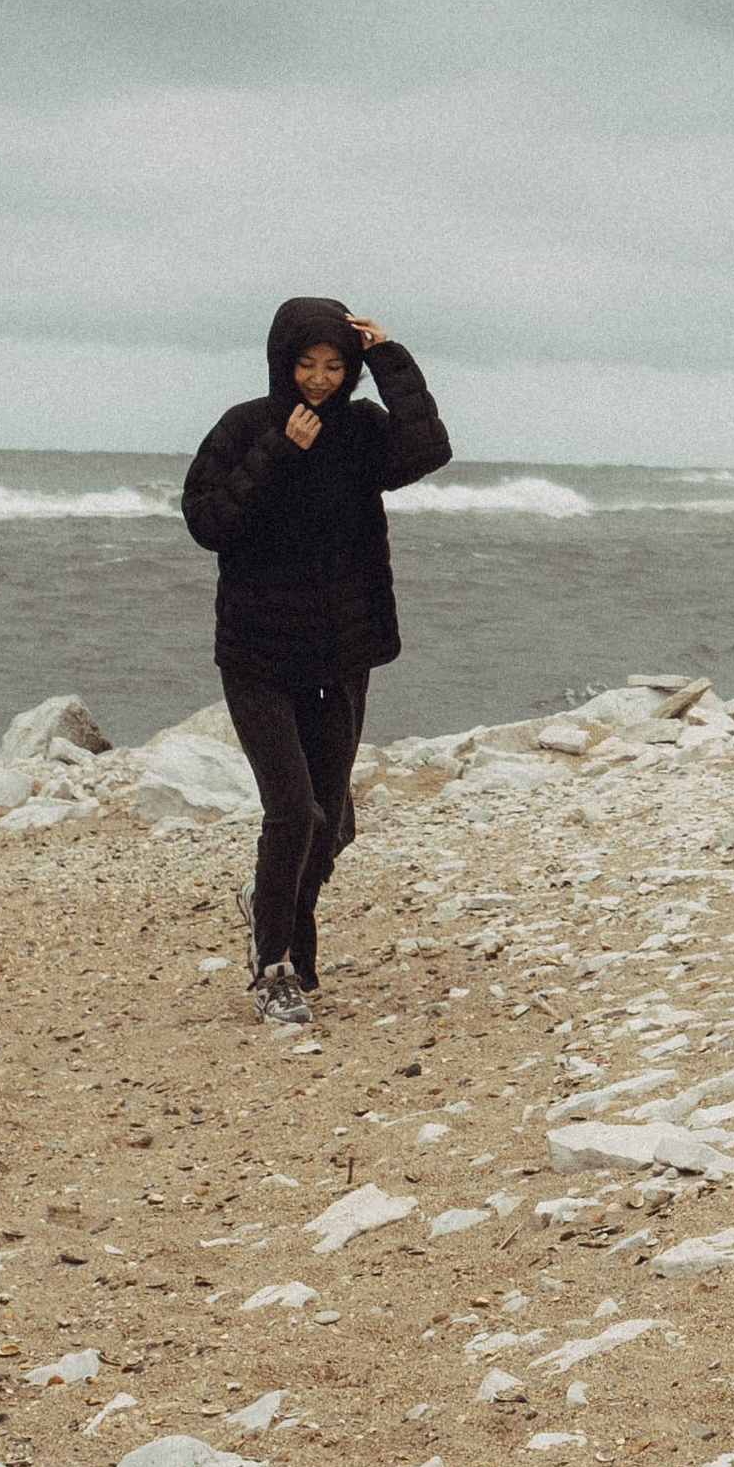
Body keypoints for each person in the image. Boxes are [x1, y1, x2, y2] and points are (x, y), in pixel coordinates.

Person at [179, 296, 452, 1026]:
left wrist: (392, 358)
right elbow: (207, 522)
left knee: (331, 825)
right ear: (282, 361)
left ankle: (273, 911)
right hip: (258, 655)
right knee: (294, 812)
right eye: (307, 364)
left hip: (341, 656)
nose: (321, 380)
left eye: (337, 365)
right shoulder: (246, 427)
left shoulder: (363, 432)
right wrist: (277, 451)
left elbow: (428, 450)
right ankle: (274, 968)